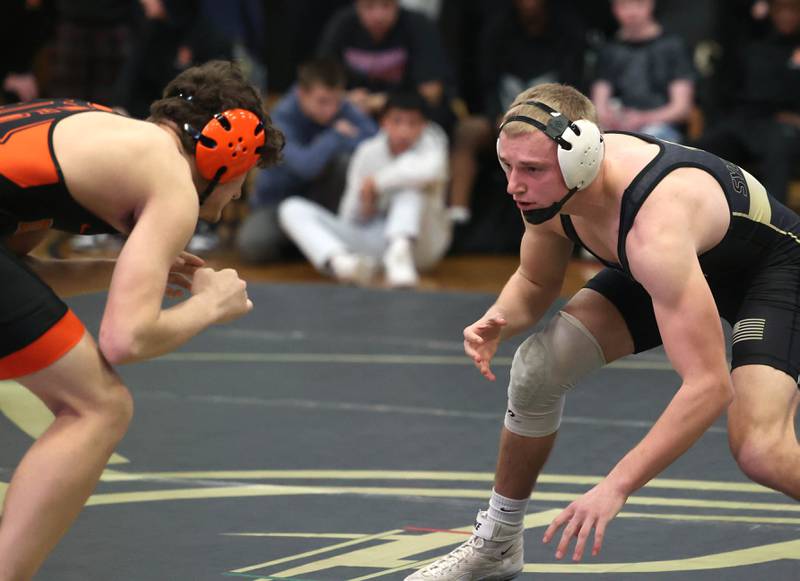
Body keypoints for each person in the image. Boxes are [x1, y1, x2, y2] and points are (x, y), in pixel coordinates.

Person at [404, 81, 800, 580]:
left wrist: (615, 486)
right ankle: (497, 544)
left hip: (771, 270)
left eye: (530, 170)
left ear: (581, 160)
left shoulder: (655, 224)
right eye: (507, 166)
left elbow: (708, 386)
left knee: (761, 451)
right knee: (537, 369)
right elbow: (534, 279)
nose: (513, 186)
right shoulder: (553, 191)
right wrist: (500, 318)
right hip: (671, 266)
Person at [0, 59, 283, 579]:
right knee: (99, 407)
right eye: (247, 173)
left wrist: (112, 268)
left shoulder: (95, 125)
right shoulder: (171, 179)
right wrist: (209, 305)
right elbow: (124, 340)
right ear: (229, 148)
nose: (241, 192)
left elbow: (16, 275)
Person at [278, 91, 450, 287]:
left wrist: (376, 182)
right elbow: (349, 216)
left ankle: (400, 252)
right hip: (376, 243)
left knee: (410, 187)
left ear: (424, 126)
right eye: (397, 121)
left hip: (423, 246)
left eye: (413, 124)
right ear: (384, 123)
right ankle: (342, 264)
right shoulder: (367, 152)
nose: (404, 131)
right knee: (291, 207)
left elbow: (428, 172)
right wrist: (366, 205)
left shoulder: (433, 142)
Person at [237, 57, 377, 263]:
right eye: (322, 102)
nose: (330, 110)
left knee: (345, 162)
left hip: (322, 200)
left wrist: (329, 145)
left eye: (336, 101)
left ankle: (320, 241)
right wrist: (334, 136)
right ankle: (309, 244)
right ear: (301, 93)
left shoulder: (341, 107)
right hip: (277, 203)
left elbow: (374, 142)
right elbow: (306, 167)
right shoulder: (281, 117)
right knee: (254, 245)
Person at [692, 0, 800, 204]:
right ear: (771, 11)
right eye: (781, 9)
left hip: (783, 125)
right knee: (704, 148)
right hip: (744, 121)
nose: (787, 16)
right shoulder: (754, 43)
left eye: (793, 10)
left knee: (778, 149)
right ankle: (705, 214)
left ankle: (774, 229)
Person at [591, 0, 695, 143]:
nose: (632, 12)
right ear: (614, 8)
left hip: (662, 128)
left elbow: (681, 108)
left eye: (639, 4)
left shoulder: (672, 46)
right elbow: (599, 105)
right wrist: (612, 117)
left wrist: (642, 118)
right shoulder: (609, 50)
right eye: (624, 5)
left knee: (651, 137)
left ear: (651, 4)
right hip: (619, 127)